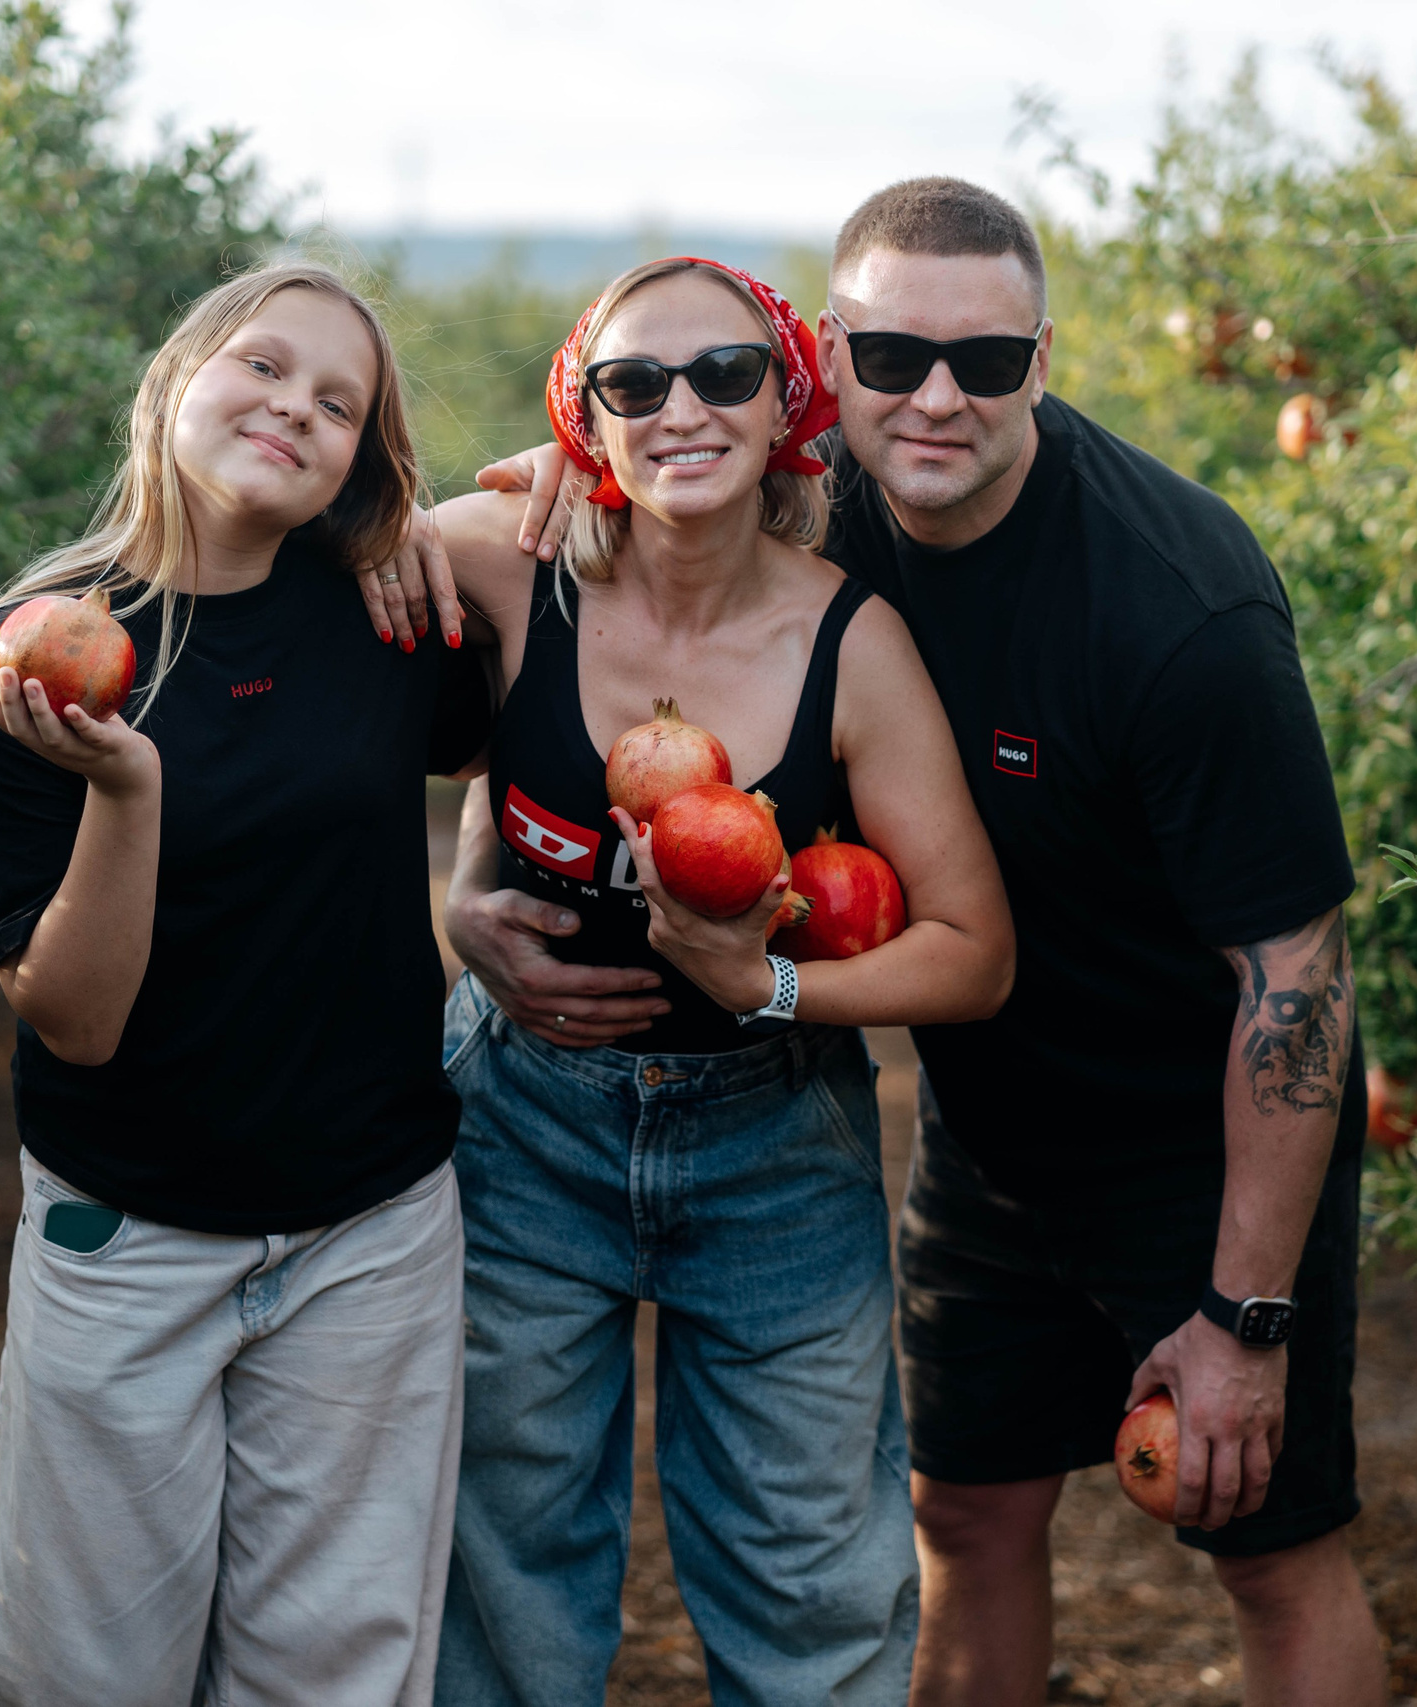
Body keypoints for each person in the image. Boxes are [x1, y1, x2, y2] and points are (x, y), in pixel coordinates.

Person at [389, 181, 1387, 1707]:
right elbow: (560, 691)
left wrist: (1246, 1316)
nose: (936, 396)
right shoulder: (803, 494)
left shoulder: (1180, 611)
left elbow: (1296, 976)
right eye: (896, 355)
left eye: (985, 364)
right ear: (833, 366)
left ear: (1041, 365)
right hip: (988, 1135)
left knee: (1261, 1539)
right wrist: (473, 894)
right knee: (962, 1510)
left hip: (1191, 1134)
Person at [414, 255, 1014, 1706]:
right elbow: (323, 564)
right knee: (503, 1569)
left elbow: (973, 949)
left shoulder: (848, 642)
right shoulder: (506, 563)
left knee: (809, 1583)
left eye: (725, 374)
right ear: (586, 418)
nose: (682, 406)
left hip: (772, 1138)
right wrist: (454, 902)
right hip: (523, 1120)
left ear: (788, 402)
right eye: (633, 384)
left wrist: (774, 991)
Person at [0, 260, 491, 1707]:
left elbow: (573, 562)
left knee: (335, 1671)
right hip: (129, 1231)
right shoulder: (34, 663)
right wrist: (126, 793)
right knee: (85, 1676)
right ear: (181, 373)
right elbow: (75, 1018)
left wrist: (522, 477)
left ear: (360, 464)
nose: (292, 409)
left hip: (369, 1228)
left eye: (338, 404)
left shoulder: (386, 620)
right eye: (262, 365)